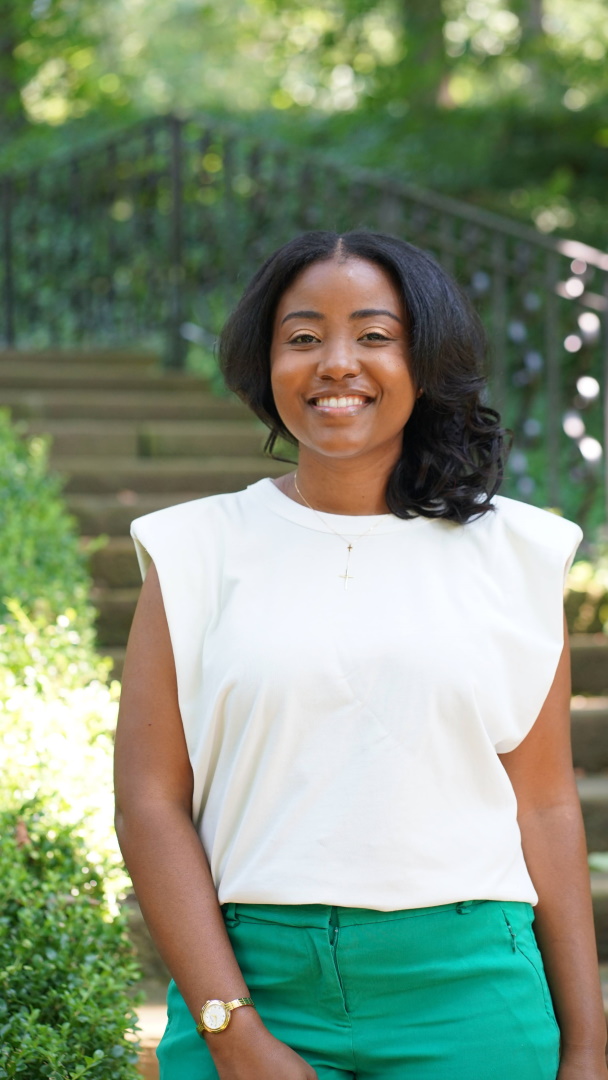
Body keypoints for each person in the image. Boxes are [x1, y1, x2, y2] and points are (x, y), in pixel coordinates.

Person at [114, 230, 608, 1080]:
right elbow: (149, 803)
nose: (336, 363)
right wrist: (232, 1032)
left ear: (426, 359)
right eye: (303, 337)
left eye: (375, 335)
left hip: (470, 993)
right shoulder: (194, 549)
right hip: (251, 981)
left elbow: (546, 807)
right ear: (266, 363)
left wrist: (589, 1047)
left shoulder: (518, 553)